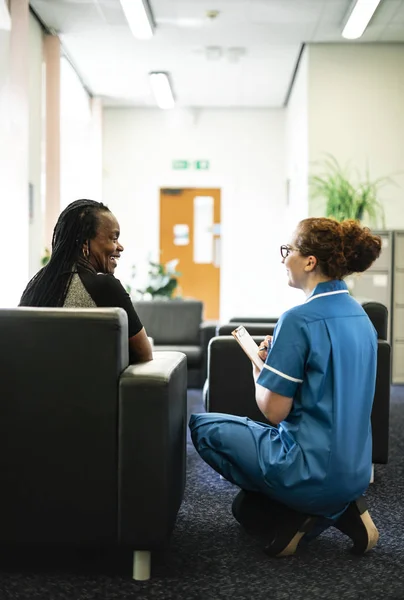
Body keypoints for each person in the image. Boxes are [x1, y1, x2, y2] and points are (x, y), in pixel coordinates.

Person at [189, 217, 382, 557]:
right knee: (245, 501)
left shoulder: (298, 319)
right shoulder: (360, 316)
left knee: (204, 427)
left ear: (310, 261)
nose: (283, 259)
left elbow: (274, 411)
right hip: (356, 470)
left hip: (308, 467)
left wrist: (257, 366)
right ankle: (340, 507)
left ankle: (299, 514)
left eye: (288, 250)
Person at [20, 199, 153, 364]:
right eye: (114, 238)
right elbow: (144, 354)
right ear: (84, 242)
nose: (120, 247)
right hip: (90, 389)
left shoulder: (36, 286)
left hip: (33, 388)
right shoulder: (105, 287)